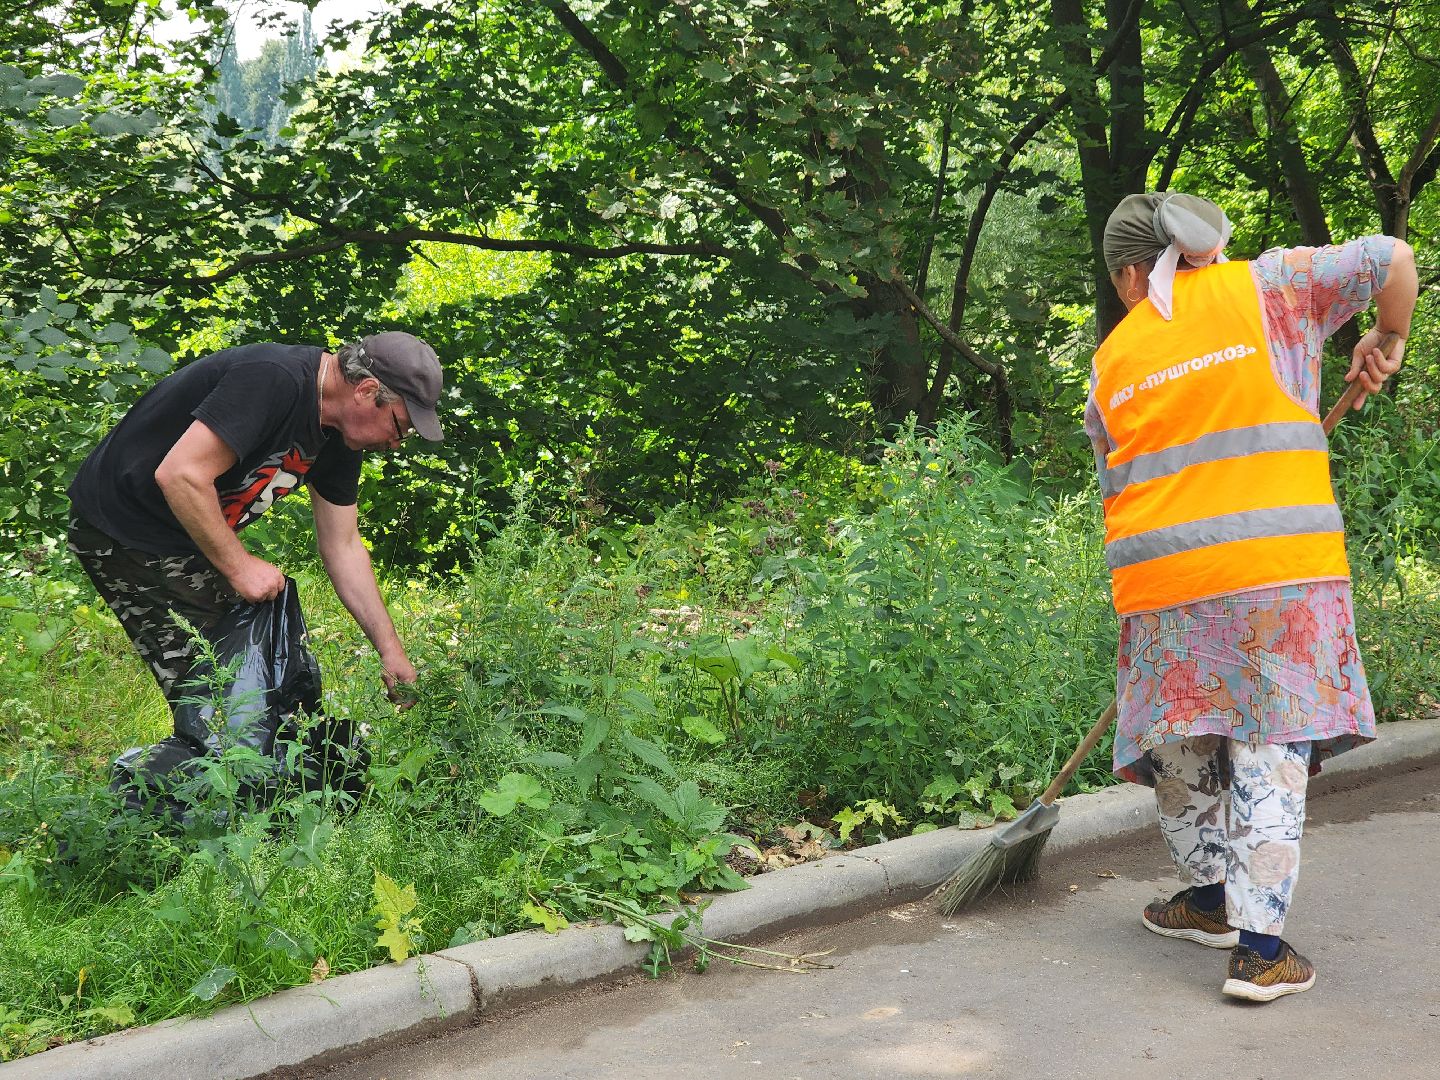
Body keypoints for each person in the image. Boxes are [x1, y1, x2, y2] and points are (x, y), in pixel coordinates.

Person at [1084, 192, 1416, 1001]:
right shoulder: (1269, 287)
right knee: (1269, 746)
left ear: (1131, 272)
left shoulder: (1112, 360)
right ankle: (1259, 948)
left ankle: (1206, 899)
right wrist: (1388, 335)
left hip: (1165, 587)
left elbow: (1116, 476)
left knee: (1186, 740)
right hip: (1277, 577)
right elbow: (1393, 260)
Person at [67, 331, 443, 714]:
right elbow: (181, 475)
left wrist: (390, 651)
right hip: (125, 525)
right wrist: (240, 566)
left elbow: (343, 546)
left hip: (187, 532)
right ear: (366, 390)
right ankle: (205, 767)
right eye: (400, 427)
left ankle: (245, 761)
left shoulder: (340, 437)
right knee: (219, 687)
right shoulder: (272, 378)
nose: (397, 443)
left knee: (254, 674)